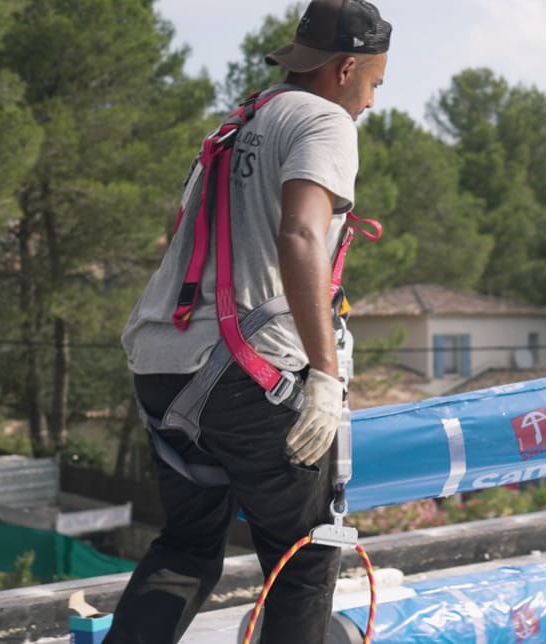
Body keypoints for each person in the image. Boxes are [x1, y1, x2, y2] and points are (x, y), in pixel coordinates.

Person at [106, 1, 390, 642]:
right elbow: (300, 234)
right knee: (306, 557)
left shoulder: (240, 120)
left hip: (162, 365)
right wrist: (322, 374)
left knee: (187, 545)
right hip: (243, 374)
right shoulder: (325, 120)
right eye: (373, 83)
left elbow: (180, 231)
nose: (370, 102)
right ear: (346, 68)